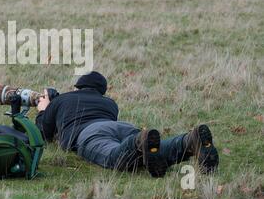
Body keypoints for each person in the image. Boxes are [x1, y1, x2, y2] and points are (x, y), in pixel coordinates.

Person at [36, 71, 219, 177]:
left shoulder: (63, 100)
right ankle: (188, 141)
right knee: (152, 148)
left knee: (113, 156)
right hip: (121, 127)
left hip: (89, 133)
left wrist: (45, 109)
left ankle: (138, 142)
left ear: (77, 87)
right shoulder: (109, 103)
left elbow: (43, 133)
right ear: (101, 91)